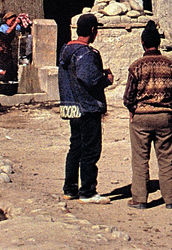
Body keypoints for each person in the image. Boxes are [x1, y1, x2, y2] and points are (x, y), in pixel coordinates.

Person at [123, 23, 172, 210]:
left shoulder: (136, 66)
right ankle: (171, 199)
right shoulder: (171, 65)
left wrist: (133, 109)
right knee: (166, 158)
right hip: (165, 118)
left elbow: (128, 97)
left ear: (142, 43)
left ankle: (140, 199)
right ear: (159, 43)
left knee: (140, 159)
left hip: (141, 118)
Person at [58, 13, 114, 204]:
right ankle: (88, 191)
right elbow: (89, 79)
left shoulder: (67, 50)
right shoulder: (86, 53)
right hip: (87, 107)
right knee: (90, 149)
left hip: (72, 107)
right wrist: (106, 79)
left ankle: (70, 188)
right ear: (92, 31)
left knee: (75, 146)